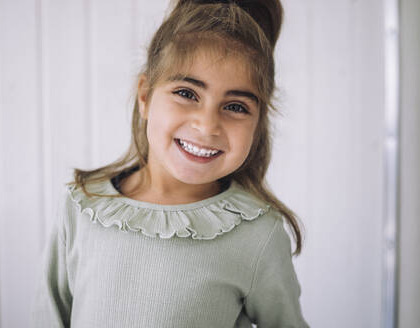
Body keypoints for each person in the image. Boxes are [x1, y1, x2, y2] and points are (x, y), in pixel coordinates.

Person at [31, 0, 310, 327]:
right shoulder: (81, 206)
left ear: (258, 121)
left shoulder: (258, 234)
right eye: (187, 93)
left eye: (235, 106)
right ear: (146, 95)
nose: (207, 126)